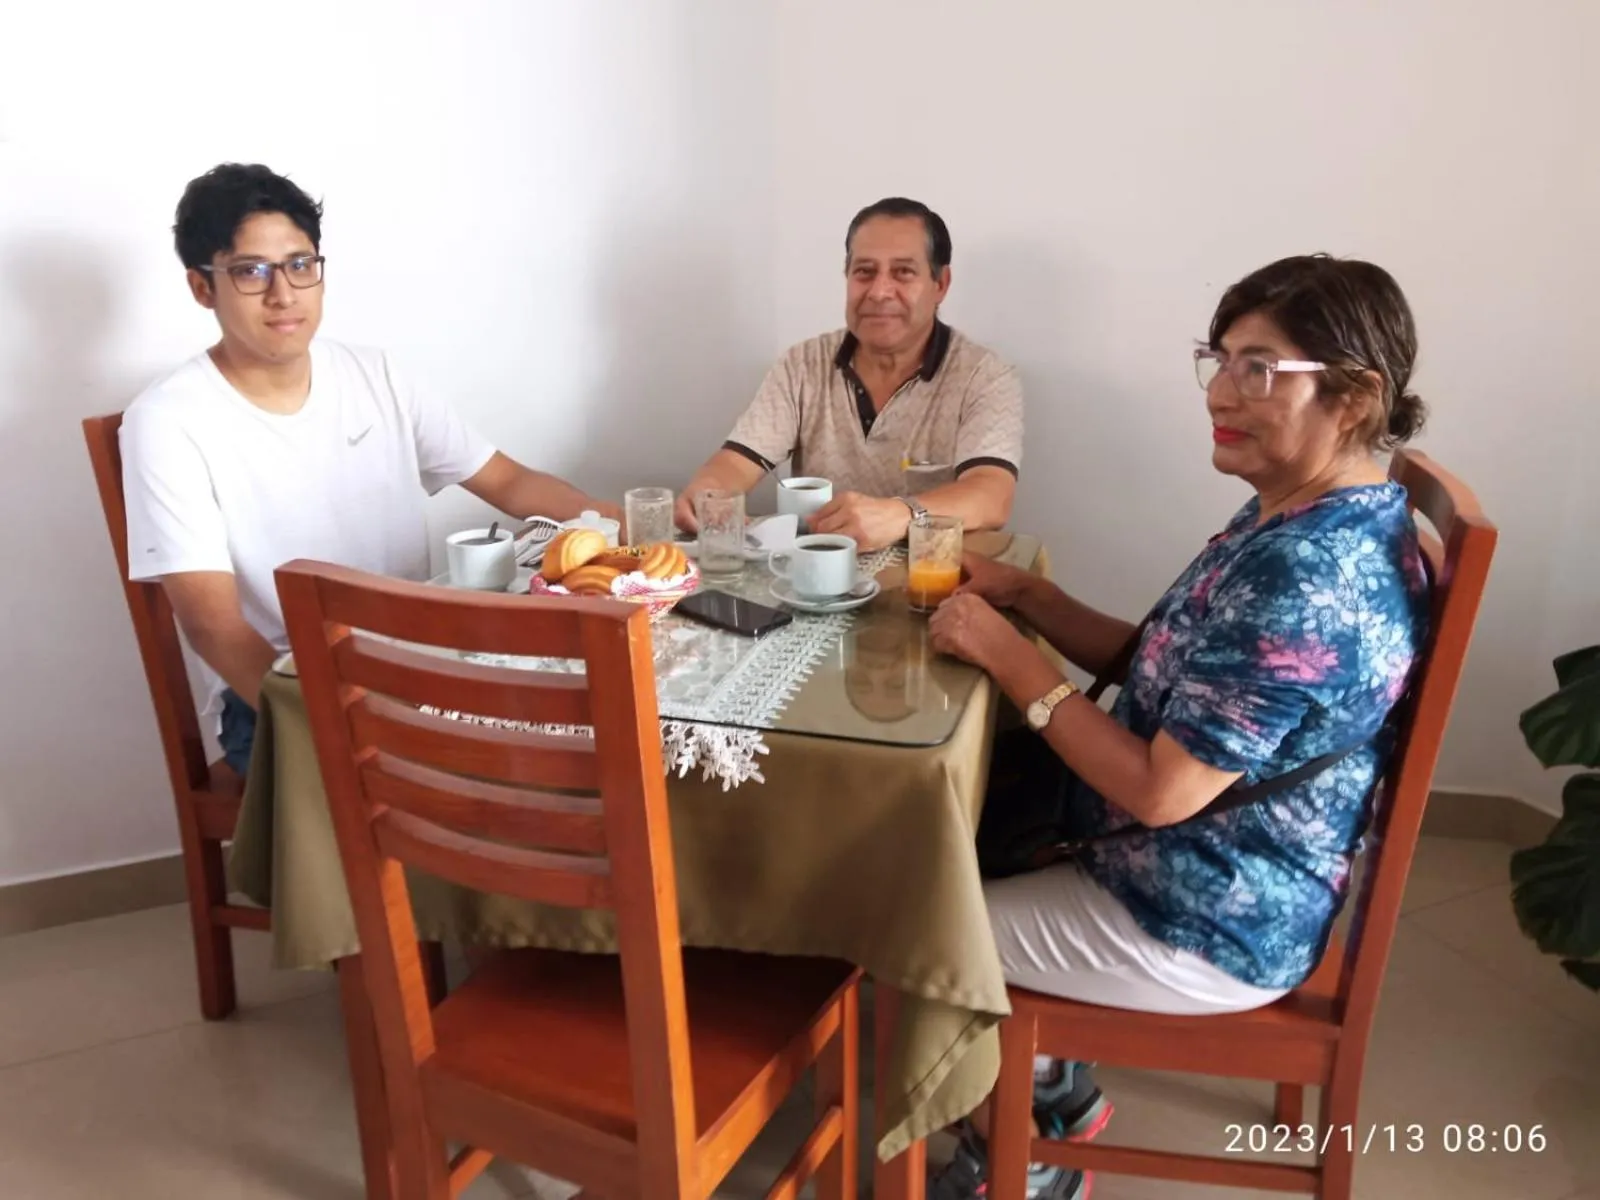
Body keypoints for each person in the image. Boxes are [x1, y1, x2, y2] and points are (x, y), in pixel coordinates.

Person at [924, 254, 1432, 1199]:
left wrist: (1014, 658)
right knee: (957, 810)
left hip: (1202, 910)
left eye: (1260, 369)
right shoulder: (1315, 510)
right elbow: (1174, 672)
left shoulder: (1306, 575)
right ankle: (1053, 1087)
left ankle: (1023, 1161)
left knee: (915, 924)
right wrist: (1034, 596)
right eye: (1221, 359)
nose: (1220, 394)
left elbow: (1163, 790)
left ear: (1354, 397)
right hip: (1211, 860)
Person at [120, 163, 620, 776]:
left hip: (423, 665)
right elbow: (216, 628)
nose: (284, 294)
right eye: (251, 271)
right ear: (203, 288)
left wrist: (631, 526)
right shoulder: (167, 420)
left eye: (301, 265)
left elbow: (511, 483)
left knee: (601, 740)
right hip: (286, 692)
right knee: (507, 781)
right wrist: (332, 719)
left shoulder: (374, 374)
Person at [675, 198, 1023, 551]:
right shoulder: (803, 364)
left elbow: (992, 495)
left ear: (940, 284)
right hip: (814, 587)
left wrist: (899, 515)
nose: (879, 291)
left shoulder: (984, 376)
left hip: (933, 591)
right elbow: (736, 462)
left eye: (903, 272)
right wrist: (709, 493)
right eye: (864, 272)